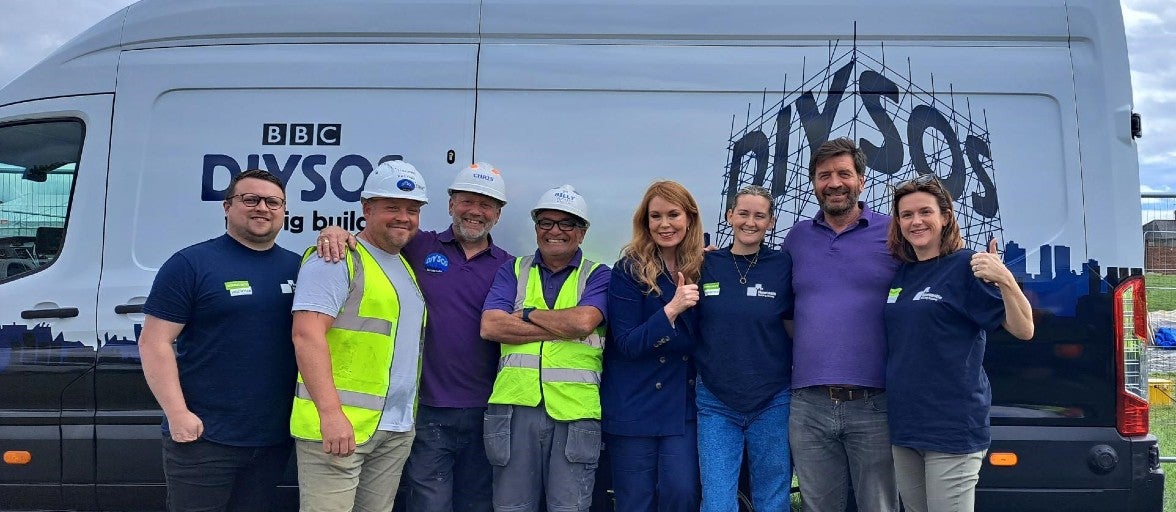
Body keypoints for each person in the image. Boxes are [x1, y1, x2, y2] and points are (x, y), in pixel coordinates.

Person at [318, 162, 512, 512]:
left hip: (488, 410)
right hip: (426, 409)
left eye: (486, 204)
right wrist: (336, 230)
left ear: (498, 214)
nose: (475, 211)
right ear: (451, 203)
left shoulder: (511, 267)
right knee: (428, 504)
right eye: (467, 200)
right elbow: (372, 240)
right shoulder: (417, 245)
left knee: (478, 504)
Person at [139, 169, 300, 512]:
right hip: (204, 438)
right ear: (227, 207)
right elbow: (154, 343)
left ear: (284, 210)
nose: (262, 208)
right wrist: (178, 414)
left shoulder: (299, 268)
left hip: (273, 438)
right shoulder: (190, 264)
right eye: (250, 199)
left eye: (273, 202)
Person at [883, 174, 1033, 512]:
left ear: (945, 216)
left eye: (925, 212)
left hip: (951, 427)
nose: (915, 221)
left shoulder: (966, 267)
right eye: (906, 215)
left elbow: (1024, 329)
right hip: (906, 426)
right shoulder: (903, 274)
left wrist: (1005, 278)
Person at [289, 160, 429, 512]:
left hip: (392, 429)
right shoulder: (335, 259)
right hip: (340, 428)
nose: (404, 217)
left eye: (412, 210)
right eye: (392, 207)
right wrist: (331, 414)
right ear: (367, 209)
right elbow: (307, 335)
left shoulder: (402, 265)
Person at [783, 137, 900, 512]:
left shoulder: (894, 232)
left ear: (862, 180)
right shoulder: (797, 237)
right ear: (814, 183)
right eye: (824, 175)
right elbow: (777, 300)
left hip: (874, 403)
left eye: (844, 174)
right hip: (808, 404)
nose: (834, 183)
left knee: (878, 507)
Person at [480, 184, 610, 512]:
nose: (555, 231)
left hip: (575, 413)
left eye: (567, 223)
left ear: (582, 233)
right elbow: (491, 326)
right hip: (513, 409)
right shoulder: (512, 270)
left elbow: (582, 323)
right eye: (546, 222)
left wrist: (526, 314)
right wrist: (559, 328)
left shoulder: (598, 275)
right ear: (536, 228)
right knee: (511, 507)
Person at [602, 180, 703, 512]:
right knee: (634, 501)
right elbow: (628, 343)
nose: (664, 224)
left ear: (689, 218)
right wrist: (671, 309)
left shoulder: (706, 266)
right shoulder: (628, 269)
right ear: (645, 222)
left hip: (682, 405)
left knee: (682, 493)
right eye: (655, 216)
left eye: (673, 214)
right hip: (634, 403)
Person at [694, 184, 794, 512]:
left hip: (772, 398)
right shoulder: (705, 264)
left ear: (772, 222)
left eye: (760, 215)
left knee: (773, 499)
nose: (750, 222)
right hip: (716, 401)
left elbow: (794, 323)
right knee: (718, 501)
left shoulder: (783, 265)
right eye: (743, 213)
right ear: (729, 216)